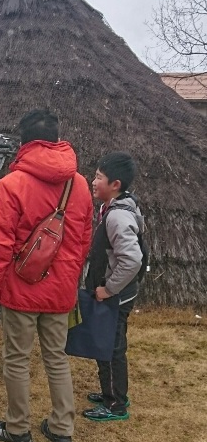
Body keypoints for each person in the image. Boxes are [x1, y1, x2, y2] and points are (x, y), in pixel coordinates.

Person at [0, 110, 93, 442]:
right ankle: (62, 431)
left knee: (16, 359)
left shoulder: (11, 185)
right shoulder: (81, 184)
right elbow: (84, 240)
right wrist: (70, 278)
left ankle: (19, 430)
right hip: (61, 291)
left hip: (20, 288)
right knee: (56, 358)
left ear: (24, 142)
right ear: (59, 138)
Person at [82, 152, 144, 422]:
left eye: (98, 177)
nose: (93, 182)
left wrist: (109, 288)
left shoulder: (118, 216)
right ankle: (110, 391)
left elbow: (132, 259)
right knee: (108, 342)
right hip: (114, 293)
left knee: (112, 345)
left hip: (115, 295)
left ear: (115, 184)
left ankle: (116, 404)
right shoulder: (113, 207)